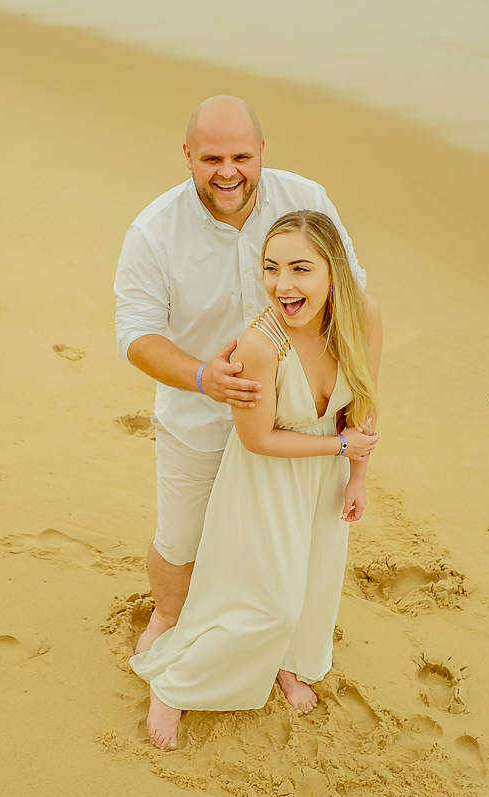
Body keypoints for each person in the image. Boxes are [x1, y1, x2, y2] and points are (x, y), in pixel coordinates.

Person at [113, 96, 377, 657]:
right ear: (187, 156)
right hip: (199, 415)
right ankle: (167, 616)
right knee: (183, 539)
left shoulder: (306, 199)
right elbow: (134, 334)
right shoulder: (153, 230)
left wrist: (349, 425)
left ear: (261, 151)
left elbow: (351, 296)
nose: (227, 172)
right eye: (211, 159)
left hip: (301, 416)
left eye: (240, 156)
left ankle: (274, 645)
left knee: (284, 543)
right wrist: (203, 376)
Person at [129, 210, 383, 750]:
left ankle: (287, 665)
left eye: (300, 269)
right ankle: (176, 686)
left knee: (314, 584)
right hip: (267, 478)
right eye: (271, 269)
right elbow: (257, 439)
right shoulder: (261, 345)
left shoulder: (362, 316)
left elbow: (364, 399)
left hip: (326, 477)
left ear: (332, 271)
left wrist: (356, 474)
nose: (283, 285)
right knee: (272, 602)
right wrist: (339, 447)